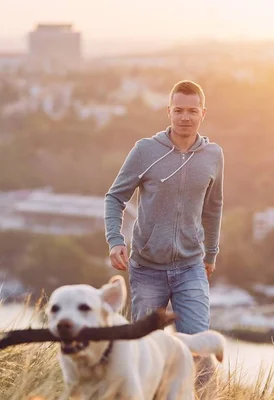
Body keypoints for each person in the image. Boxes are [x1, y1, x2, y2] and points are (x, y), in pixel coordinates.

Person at [103, 79, 224, 336]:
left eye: (192, 111)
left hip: (191, 266)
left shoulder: (213, 155)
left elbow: (213, 208)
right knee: (147, 348)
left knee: (198, 347)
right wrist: (115, 240)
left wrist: (210, 254)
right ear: (168, 112)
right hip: (147, 269)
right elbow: (115, 197)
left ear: (202, 113)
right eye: (178, 110)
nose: (185, 117)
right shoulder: (145, 150)